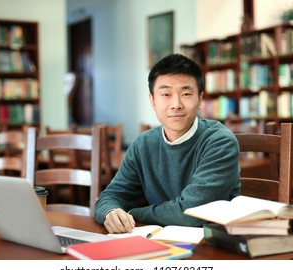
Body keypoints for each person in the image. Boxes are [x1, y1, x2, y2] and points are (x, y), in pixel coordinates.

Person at [94, 53, 240, 233]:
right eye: (166, 94)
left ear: (200, 99)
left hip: (211, 245)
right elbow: (112, 195)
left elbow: (192, 212)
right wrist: (111, 212)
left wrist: (132, 213)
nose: (176, 104)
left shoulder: (219, 142)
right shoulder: (143, 144)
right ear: (152, 101)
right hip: (159, 241)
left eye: (186, 94)